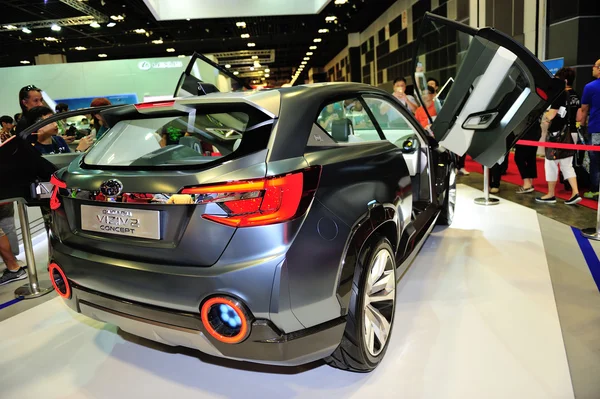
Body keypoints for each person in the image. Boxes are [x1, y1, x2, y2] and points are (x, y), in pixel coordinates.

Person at [536, 67, 582, 205]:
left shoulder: (559, 94)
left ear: (564, 80)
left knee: (550, 163)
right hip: (571, 133)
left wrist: (545, 117)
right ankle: (575, 192)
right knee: (567, 165)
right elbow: (579, 116)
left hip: (557, 135)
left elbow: (551, 115)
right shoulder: (575, 95)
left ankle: (550, 194)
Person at [580, 59, 600, 199]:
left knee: (595, 160)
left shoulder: (590, 87)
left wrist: (581, 125)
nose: (592, 68)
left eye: (594, 66)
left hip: (596, 128)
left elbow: (584, 109)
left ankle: (595, 189)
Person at [514, 118, 542, 193]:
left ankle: (527, 183)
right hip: (535, 130)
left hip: (526, 131)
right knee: (531, 158)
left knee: (519, 158)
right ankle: (530, 182)